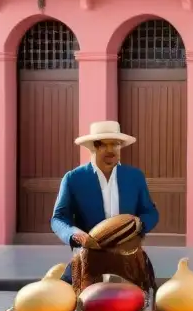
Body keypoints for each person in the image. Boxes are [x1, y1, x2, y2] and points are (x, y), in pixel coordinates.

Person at [51, 121, 159, 285]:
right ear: (93, 147)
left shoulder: (135, 177)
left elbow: (150, 212)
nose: (111, 150)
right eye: (104, 145)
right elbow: (58, 218)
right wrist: (73, 234)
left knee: (136, 304)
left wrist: (140, 224)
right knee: (73, 303)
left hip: (127, 256)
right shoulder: (74, 178)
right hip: (89, 258)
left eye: (115, 144)